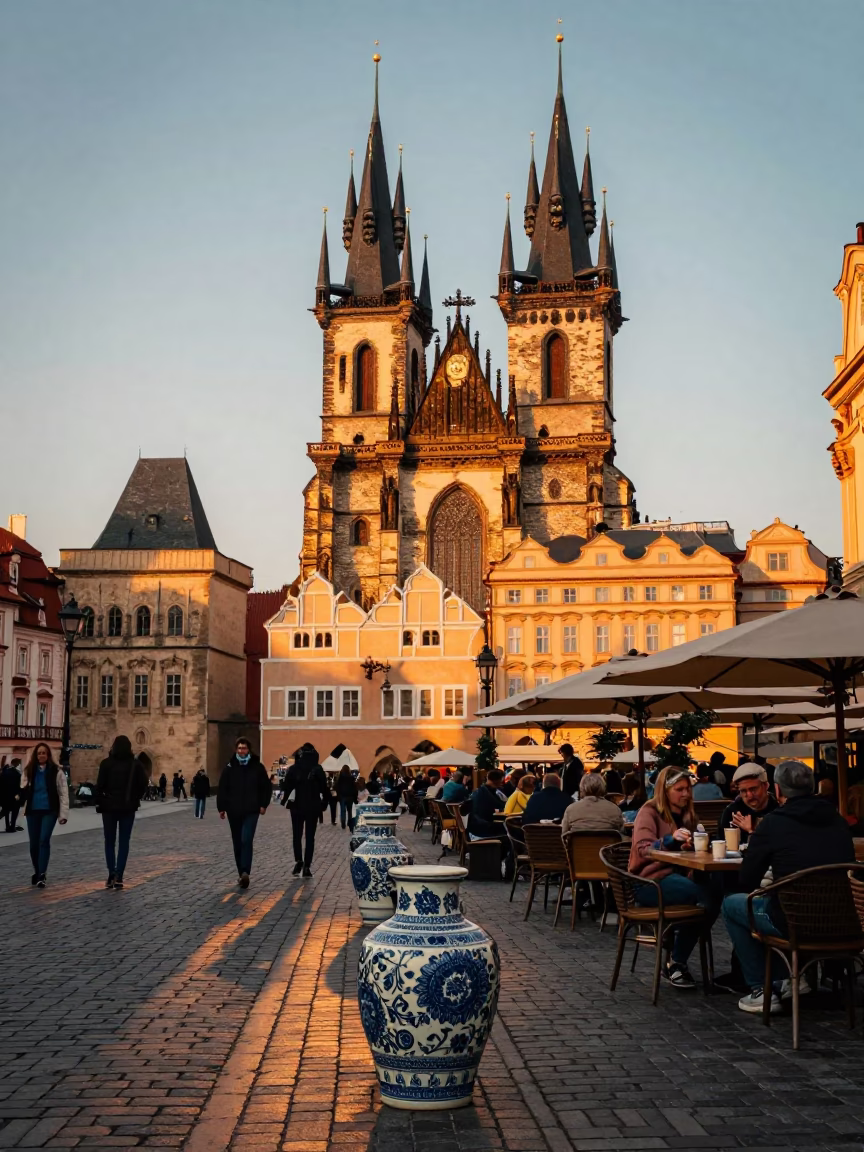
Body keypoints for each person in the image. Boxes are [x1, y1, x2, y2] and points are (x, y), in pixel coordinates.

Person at [722, 760, 856, 1015]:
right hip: (843, 923)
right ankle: (791, 980)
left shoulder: (773, 824)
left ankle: (762, 989)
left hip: (793, 923)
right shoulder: (838, 820)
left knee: (732, 904)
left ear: (778, 790)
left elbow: (747, 880)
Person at [629, 765, 718, 989]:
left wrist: (696, 842)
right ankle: (676, 962)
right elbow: (643, 849)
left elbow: (691, 851)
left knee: (714, 893)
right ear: (665, 790)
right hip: (649, 882)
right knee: (702, 897)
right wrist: (670, 839)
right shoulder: (648, 812)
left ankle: (676, 959)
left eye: (688, 788)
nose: (686, 794)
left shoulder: (688, 815)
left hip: (679, 877)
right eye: (679, 789)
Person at [217, 738, 272, 888]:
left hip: (252, 810)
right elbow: (223, 788)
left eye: (244, 748)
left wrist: (263, 804)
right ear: (236, 750)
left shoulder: (257, 767)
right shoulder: (229, 767)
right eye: (240, 748)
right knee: (237, 842)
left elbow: (266, 787)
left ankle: (246, 871)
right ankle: (241, 873)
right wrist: (221, 807)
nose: (242, 751)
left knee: (246, 839)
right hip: (233, 810)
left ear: (249, 750)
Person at [95, 736, 149, 889]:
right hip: (127, 808)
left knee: (109, 842)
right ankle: (119, 876)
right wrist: (133, 798)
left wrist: (103, 800)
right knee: (124, 842)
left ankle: (111, 873)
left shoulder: (106, 764)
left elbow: (99, 786)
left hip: (109, 808)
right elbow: (143, 785)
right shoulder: (135, 765)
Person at [19, 743, 68, 888]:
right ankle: (37, 870)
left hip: (49, 810)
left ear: (48, 755)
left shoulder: (56, 771)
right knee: (34, 844)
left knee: (43, 840)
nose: (41, 755)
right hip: (33, 810)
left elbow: (63, 793)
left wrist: (63, 814)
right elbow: (23, 788)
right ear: (36, 755)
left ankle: (42, 874)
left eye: (44, 753)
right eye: (39, 753)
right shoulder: (29, 770)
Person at [281, 743, 331, 876]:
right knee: (310, 837)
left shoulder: (294, 768)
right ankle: (307, 866)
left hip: (296, 806)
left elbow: (286, 786)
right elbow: (324, 789)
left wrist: (284, 799)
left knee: (297, 835)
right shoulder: (318, 769)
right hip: (313, 806)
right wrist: (325, 802)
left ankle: (298, 860)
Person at [719, 762, 777, 844]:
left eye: (753, 789)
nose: (749, 795)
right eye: (743, 791)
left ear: (766, 786)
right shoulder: (732, 813)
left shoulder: (779, 809)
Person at [467, 768, 506, 838]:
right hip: (485, 829)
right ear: (500, 780)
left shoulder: (480, 791)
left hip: (475, 828)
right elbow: (500, 806)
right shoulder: (488, 793)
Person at [0, 759, 22, 833]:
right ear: (16, 764)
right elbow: (20, 786)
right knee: (14, 812)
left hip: (5, 796)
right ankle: (12, 827)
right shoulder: (17, 773)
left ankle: (7, 826)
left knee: (5, 811)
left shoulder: (5, 771)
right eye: (19, 763)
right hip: (15, 796)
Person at [335, 764, 358, 830]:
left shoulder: (340, 778)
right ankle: (350, 822)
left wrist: (338, 796)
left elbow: (337, 787)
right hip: (350, 796)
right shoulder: (351, 778)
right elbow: (354, 788)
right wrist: (355, 797)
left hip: (342, 796)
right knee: (349, 810)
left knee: (343, 811)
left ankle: (343, 824)